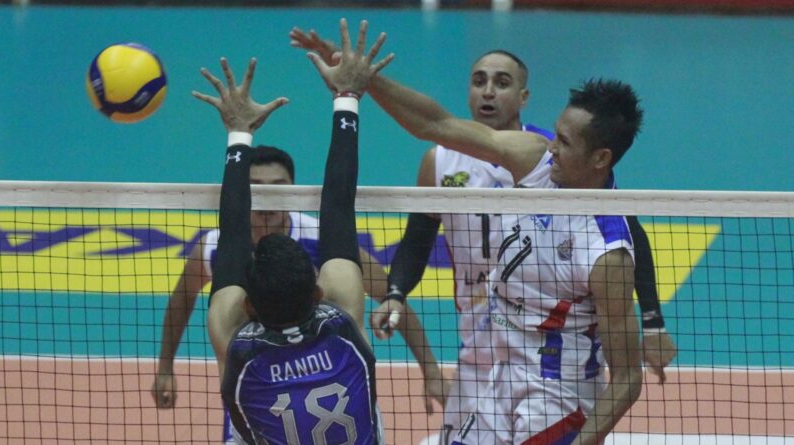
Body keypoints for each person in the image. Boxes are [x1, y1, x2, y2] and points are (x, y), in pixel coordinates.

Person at [290, 32, 675, 441]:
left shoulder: (607, 253)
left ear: (600, 158)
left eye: (564, 142)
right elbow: (434, 124)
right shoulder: (536, 161)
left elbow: (627, 379)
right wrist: (361, 80)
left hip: (557, 392)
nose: (552, 147)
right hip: (494, 369)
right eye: (555, 134)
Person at [196, 19, 394, 444]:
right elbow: (339, 205)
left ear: (248, 305)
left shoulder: (234, 339)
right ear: (318, 292)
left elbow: (232, 235)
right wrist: (347, 98)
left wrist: (238, 132)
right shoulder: (343, 322)